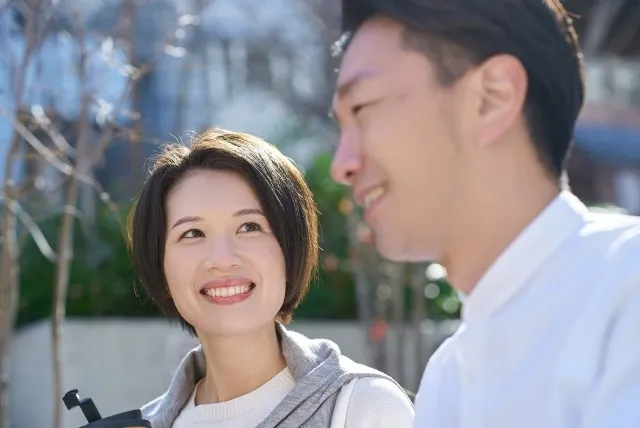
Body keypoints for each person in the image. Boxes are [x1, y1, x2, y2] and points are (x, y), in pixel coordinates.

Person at [329, 1, 640, 427]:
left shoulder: (626, 284)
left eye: (363, 108)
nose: (341, 165)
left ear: (493, 98)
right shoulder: (446, 376)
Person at [128, 128, 414, 428]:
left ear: (290, 249)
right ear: (160, 268)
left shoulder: (363, 406)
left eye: (249, 227)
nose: (222, 259)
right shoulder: (146, 423)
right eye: (192, 233)